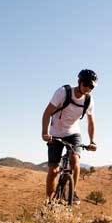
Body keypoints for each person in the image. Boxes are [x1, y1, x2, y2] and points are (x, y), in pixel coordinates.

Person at [41, 69, 98, 203]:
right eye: (86, 84)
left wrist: (92, 141)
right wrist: (44, 132)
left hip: (73, 133)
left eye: (91, 87)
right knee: (54, 170)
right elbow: (47, 113)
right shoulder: (63, 92)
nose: (88, 88)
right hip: (55, 133)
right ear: (79, 82)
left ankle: (73, 192)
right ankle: (48, 201)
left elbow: (91, 123)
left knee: (75, 161)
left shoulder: (88, 100)